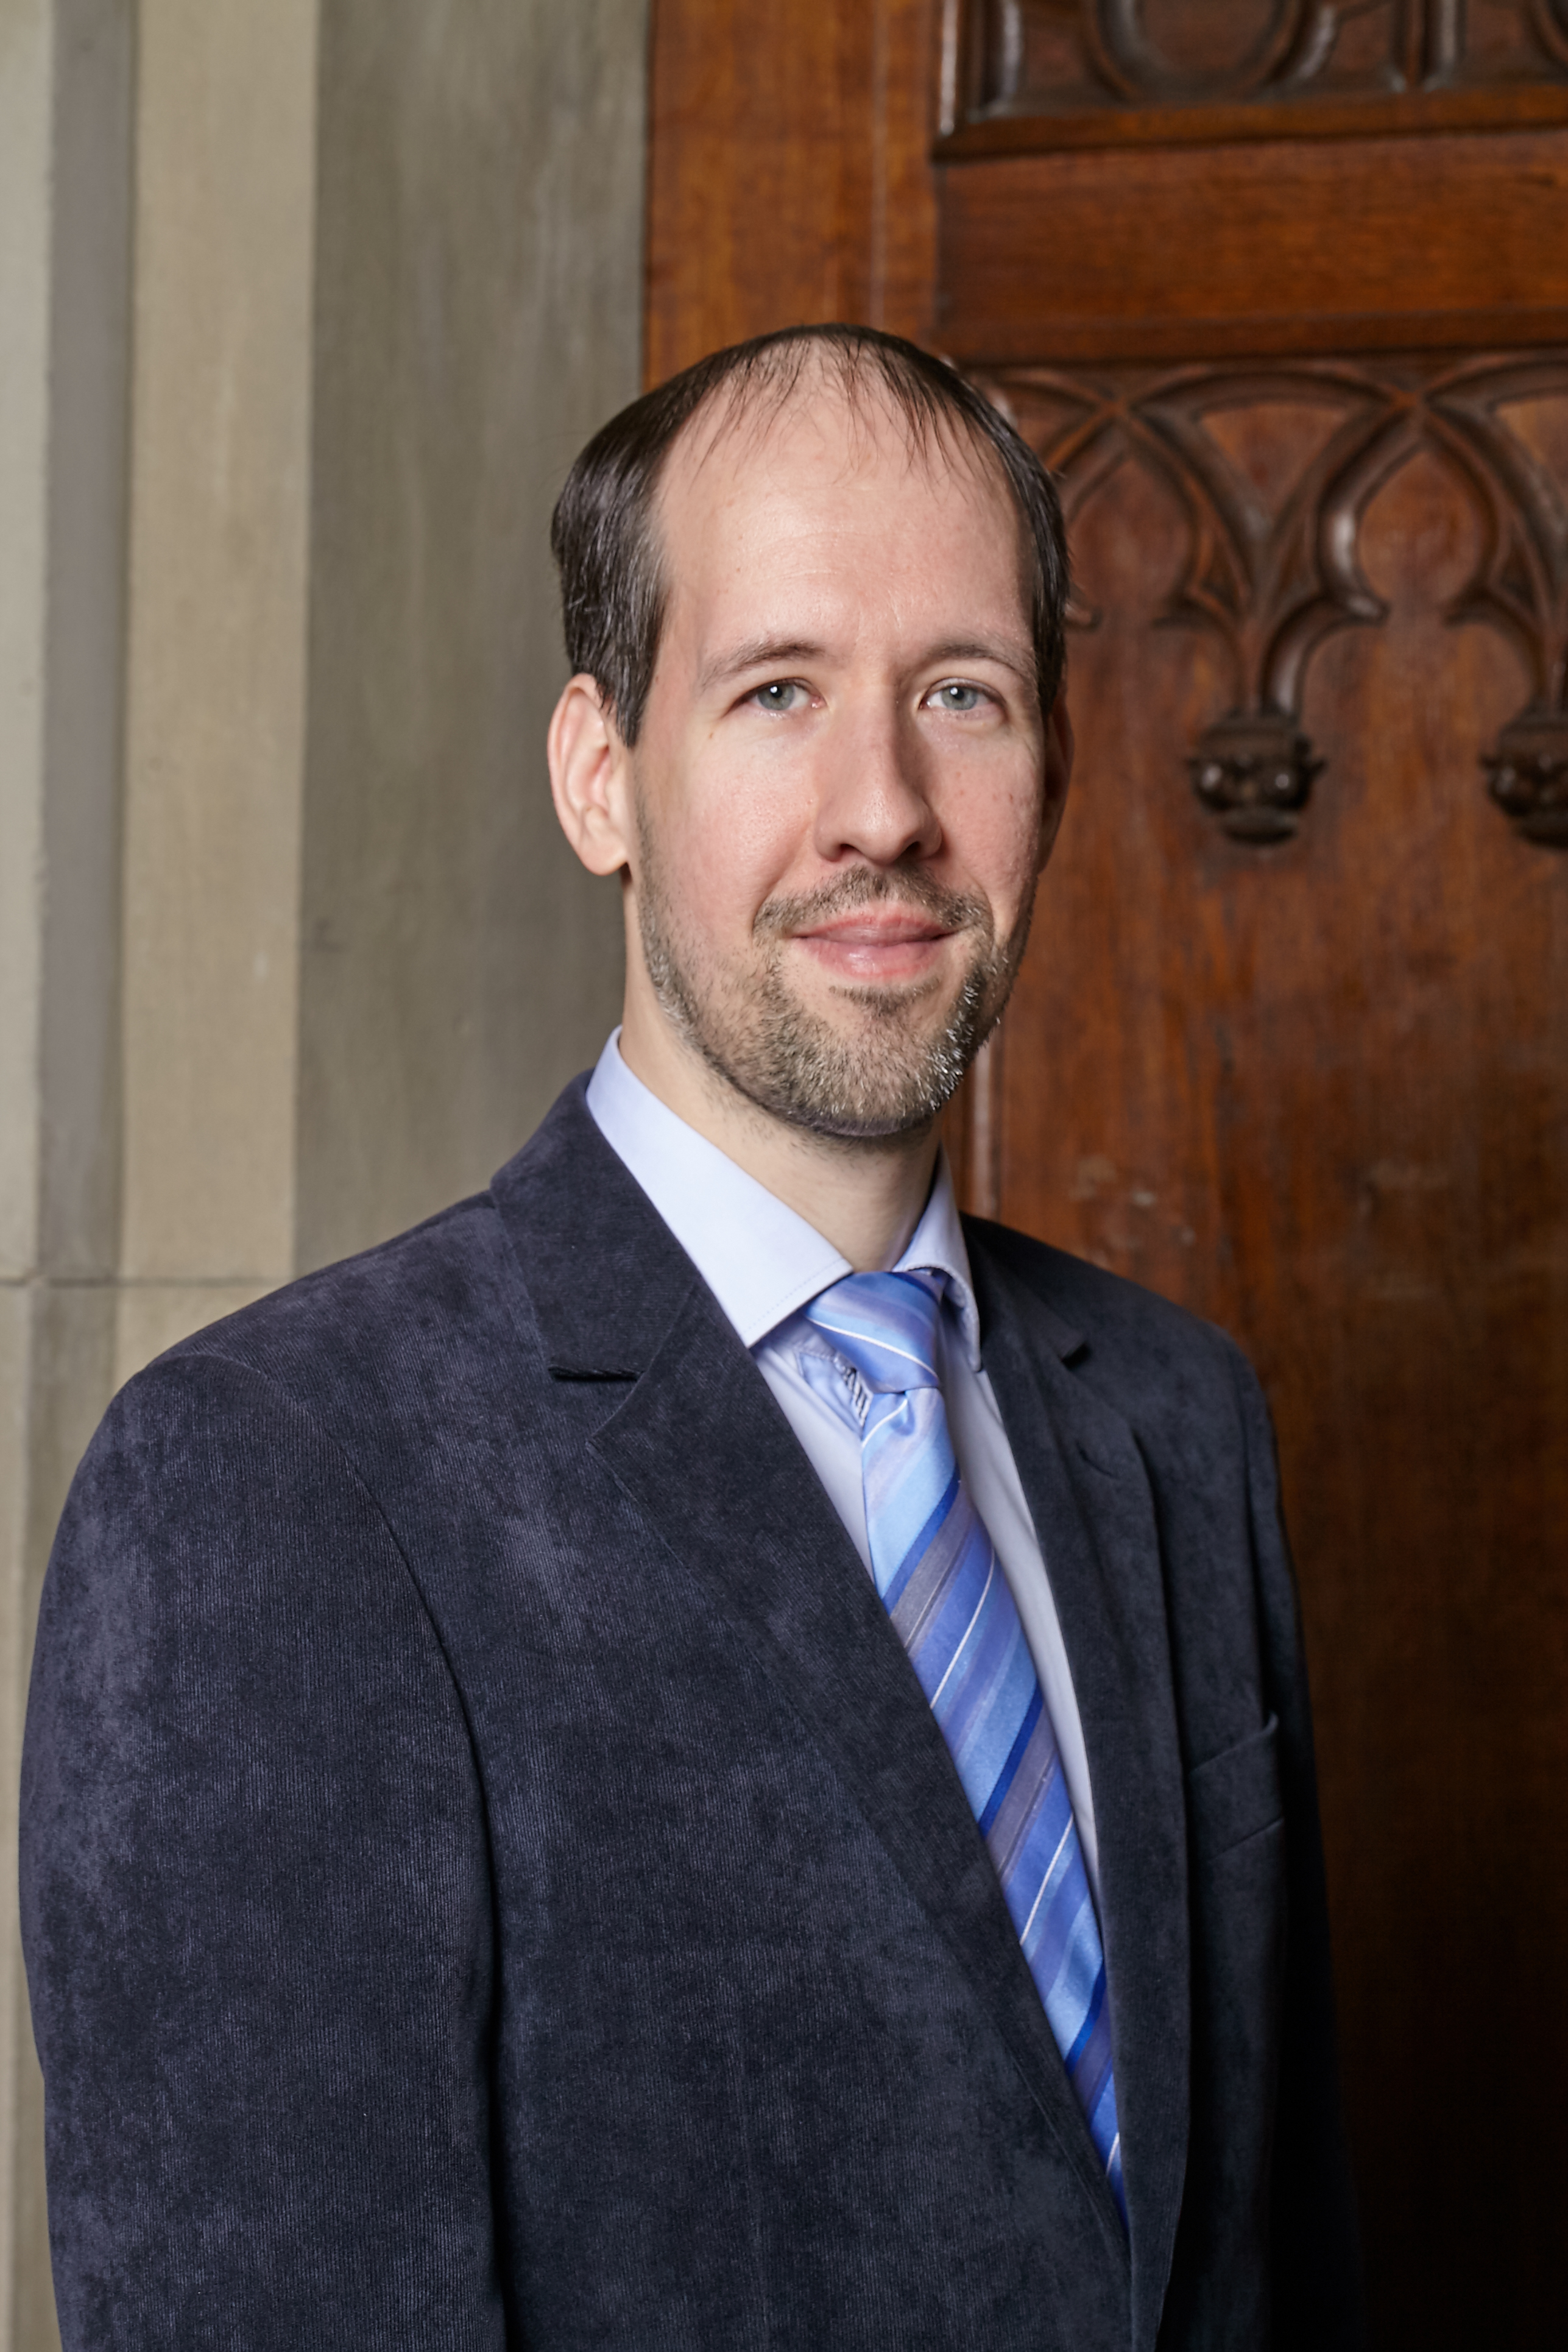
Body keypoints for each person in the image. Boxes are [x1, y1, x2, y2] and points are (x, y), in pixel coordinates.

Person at [21, 325, 1361, 2350]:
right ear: (600, 777)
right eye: (777, 692)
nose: (885, 809)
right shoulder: (279, 1488)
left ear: (1055, 772)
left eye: (963, 695)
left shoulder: (1178, 1422)